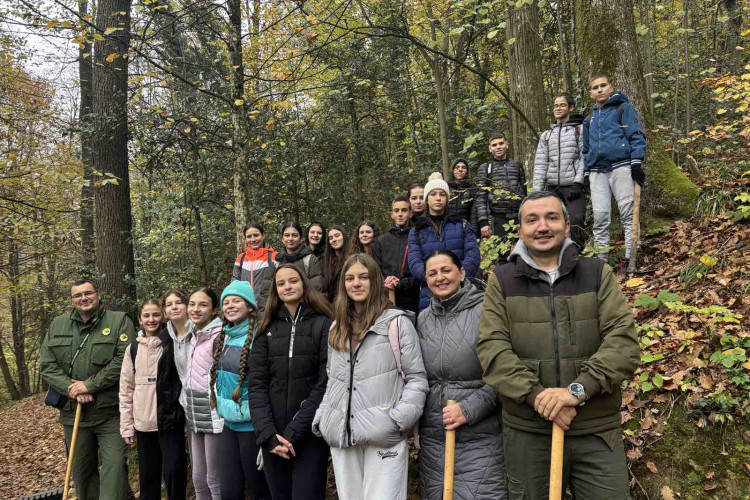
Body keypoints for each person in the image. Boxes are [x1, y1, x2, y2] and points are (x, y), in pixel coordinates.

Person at [476, 191, 639, 499]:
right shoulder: (502, 279)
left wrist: (576, 392)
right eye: (532, 220)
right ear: (521, 229)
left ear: (566, 225)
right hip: (529, 433)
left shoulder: (596, 274)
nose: (542, 226)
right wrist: (540, 399)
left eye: (551, 217)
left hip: (595, 429)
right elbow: (492, 349)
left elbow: (624, 342)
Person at [312, 254, 428, 500]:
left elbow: (416, 378)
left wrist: (398, 421)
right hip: (343, 436)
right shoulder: (336, 328)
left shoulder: (397, 323)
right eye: (350, 278)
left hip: (383, 436)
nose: (356, 283)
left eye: (363, 277)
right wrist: (324, 419)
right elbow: (333, 380)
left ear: (375, 280)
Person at [417, 250, 506, 500]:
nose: (440, 278)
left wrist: (468, 410)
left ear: (462, 272)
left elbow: (506, 373)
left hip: (481, 438)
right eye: (432, 273)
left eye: (446, 270)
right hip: (435, 440)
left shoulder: (487, 311)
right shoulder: (423, 320)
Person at [40, 278, 135, 500]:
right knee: (82, 473)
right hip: (73, 415)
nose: (84, 298)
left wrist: (90, 385)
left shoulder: (119, 321)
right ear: (72, 300)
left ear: (98, 295)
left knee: (115, 468)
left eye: (88, 293)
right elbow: (47, 365)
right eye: (77, 295)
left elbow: (125, 359)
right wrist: (72, 388)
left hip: (110, 413)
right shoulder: (57, 325)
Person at [248, 264, 334, 500]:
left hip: (309, 436)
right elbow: (256, 385)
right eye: (281, 283)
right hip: (273, 437)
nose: (288, 286)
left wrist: (295, 432)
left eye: (293, 281)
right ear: (275, 290)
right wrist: (268, 435)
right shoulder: (266, 328)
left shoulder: (324, 323)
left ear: (304, 283)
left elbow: (325, 382)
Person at [120, 299, 187, 500]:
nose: (151, 320)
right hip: (143, 424)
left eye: (155, 314)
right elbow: (126, 389)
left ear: (164, 316)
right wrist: (127, 424)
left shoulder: (174, 343)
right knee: (148, 477)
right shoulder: (132, 349)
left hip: (170, 421)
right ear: (140, 319)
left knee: (175, 472)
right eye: (146, 316)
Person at [210, 282, 271, 500]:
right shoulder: (223, 336)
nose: (230, 306)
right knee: (229, 492)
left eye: (237, 301)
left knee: (260, 490)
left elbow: (269, 387)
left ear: (251, 306)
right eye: (226, 302)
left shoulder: (261, 337)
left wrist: (268, 435)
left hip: (252, 427)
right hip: (229, 424)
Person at [583, 73, 647, 270]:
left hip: (621, 167)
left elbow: (636, 135)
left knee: (628, 214)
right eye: (596, 87)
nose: (600, 89)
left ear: (611, 88)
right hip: (597, 172)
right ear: (590, 93)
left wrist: (636, 163)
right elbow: (585, 149)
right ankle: (601, 260)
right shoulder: (589, 119)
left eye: (603, 85)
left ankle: (630, 256)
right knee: (601, 217)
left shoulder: (623, 108)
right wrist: (586, 173)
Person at [408, 173, 480, 312]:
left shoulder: (462, 224)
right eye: (433, 194)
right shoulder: (417, 230)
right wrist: (433, 278)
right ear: (426, 200)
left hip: (462, 293)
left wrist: (457, 277)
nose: (438, 198)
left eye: (442, 194)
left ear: (447, 199)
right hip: (429, 295)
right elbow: (414, 260)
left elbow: (473, 254)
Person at [533, 94, 587, 249]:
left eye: (562, 105)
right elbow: (540, 164)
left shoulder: (579, 130)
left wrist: (578, 181)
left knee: (577, 219)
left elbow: (584, 157)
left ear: (571, 108)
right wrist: (537, 191)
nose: (558, 108)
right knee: (551, 222)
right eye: (556, 105)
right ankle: (555, 252)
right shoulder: (547, 135)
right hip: (552, 187)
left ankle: (578, 251)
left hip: (573, 185)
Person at [184, 288, 224, 499]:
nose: (196, 309)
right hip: (193, 411)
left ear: (214, 309)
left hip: (213, 412)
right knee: (198, 477)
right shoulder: (193, 335)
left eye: (202, 304)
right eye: (192, 304)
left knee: (214, 479)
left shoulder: (219, 336)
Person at [475, 130, 527, 263]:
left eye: (501, 143)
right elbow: (481, 196)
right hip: (499, 218)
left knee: (524, 252)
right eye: (494, 145)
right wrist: (483, 222)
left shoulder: (517, 166)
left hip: (519, 216)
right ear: (490, 149)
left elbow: (524, 192)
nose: (498, 147)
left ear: (506, 145)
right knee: (502, 256)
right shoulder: (486, 168)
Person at [372, 196, 420, 314]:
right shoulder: (382, 241)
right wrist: (386, 281)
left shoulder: (417, 237)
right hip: (386, 299)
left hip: (413, 300)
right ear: (392, 214)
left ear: (410, 213)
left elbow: (421, 270)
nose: (400, 214)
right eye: (396, 210)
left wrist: (401, 283)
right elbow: (375, 270)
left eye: (404, 210)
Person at [232, 222, 278, 316]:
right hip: (245, 310)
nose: (253, 239)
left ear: (263, 235)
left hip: (268, 308)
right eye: (249, 237)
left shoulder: (274, 257)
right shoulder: (241, 258)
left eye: (256, 235)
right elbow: (234, 283)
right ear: (245, 239)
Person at [276, 222, 323, 292]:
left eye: (294, 235)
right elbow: (267, 291)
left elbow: (316, 288)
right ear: (282, 239)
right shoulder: (276, 261)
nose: (290, 238)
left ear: (301, 238)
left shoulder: (310, 259)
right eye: (287, 235)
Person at [447, 158, 479, 236]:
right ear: (453, 170)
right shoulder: (446, 188)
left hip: (466, 229)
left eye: (463, 167)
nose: (460, 170)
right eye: (457, 167)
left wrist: (474, 233)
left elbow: (474, 214)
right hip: (448, 229)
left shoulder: (472, 188)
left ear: (467, 171)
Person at [322, 225, 351, 303]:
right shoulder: (326, 261)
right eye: (330, 238)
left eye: (337, 236)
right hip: (331, 305)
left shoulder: (352, 258)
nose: (334, 240)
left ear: (344, 237)